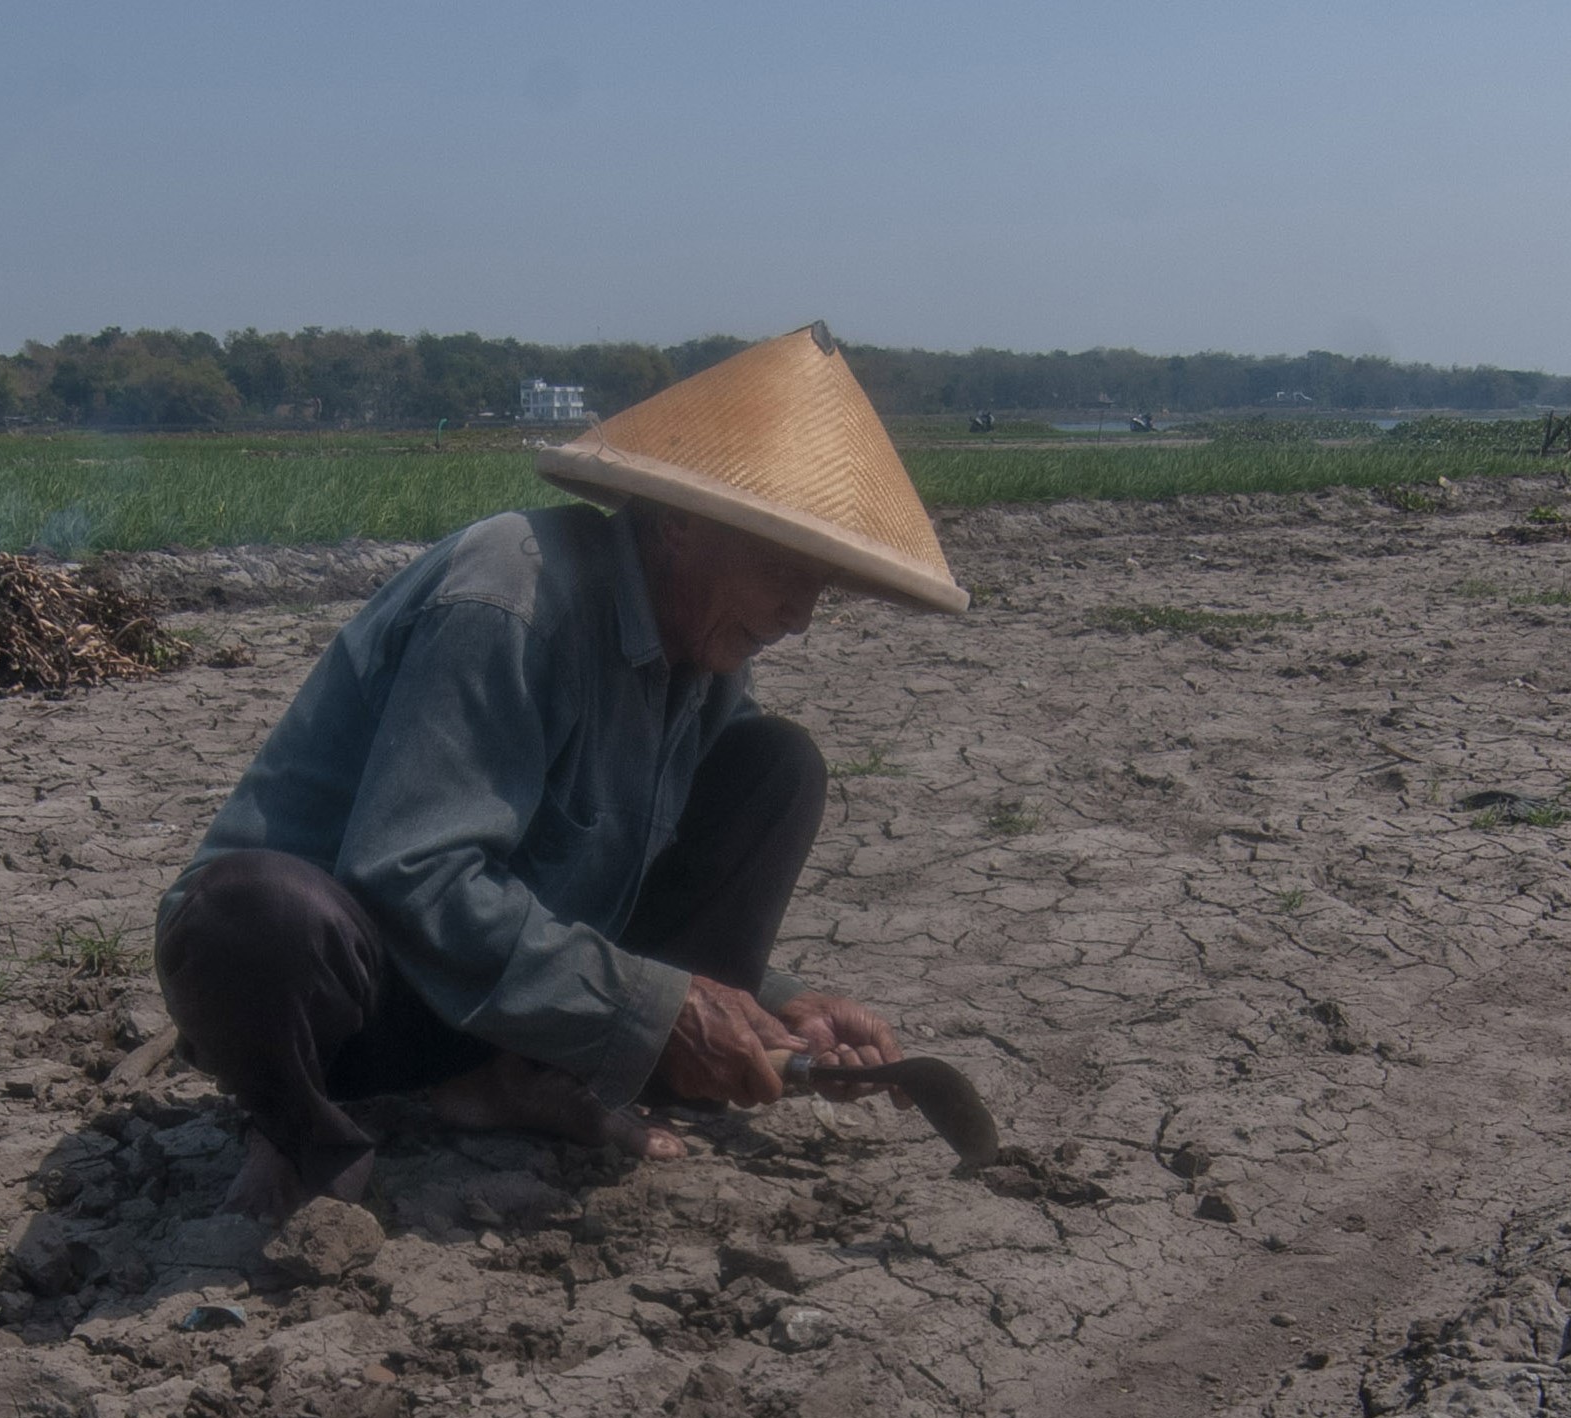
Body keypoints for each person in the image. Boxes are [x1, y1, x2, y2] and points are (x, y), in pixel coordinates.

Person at [154, 326, 968, 1220]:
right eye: (785, 569)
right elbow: (410, 876)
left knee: (777, 769)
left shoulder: (704, 658)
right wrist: (657, 1008)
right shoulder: (512, 598)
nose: (801, 616)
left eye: (824, 587)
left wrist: (775, 1010)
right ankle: (306, 1133)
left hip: (504, 1003)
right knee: (253, 915)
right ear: (679, 521)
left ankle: (513, 1078)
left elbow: (624, 883)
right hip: (349, 1006)